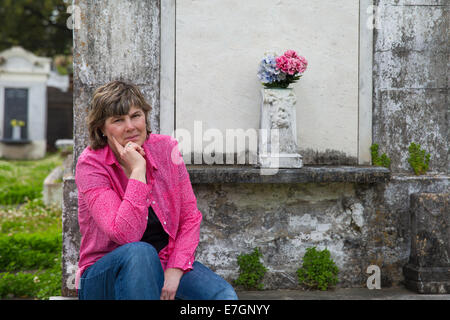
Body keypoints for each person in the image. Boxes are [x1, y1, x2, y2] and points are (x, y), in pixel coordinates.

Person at [75, 80, 238, 300]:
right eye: (118, 120)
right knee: (140, 252)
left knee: (223, 296)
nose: (131, 126)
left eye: (136, 115)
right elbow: (126, 235)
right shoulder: (91, 165)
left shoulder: (166, 149)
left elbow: (190, 217)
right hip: (105, 274)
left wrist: (176, 268)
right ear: (102, 129)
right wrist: (138, 171)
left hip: (164, 261)